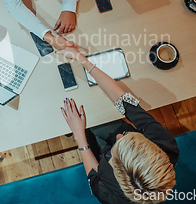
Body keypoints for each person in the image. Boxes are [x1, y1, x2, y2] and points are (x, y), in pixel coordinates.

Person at [58, 47, 178, 204]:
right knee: (94, 116)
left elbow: (94, 174)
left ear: (115, 171)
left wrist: (79, 135)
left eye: (115, 152)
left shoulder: (111, 196)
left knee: (80, 129)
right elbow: (125, 102)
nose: (119, 135)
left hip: (96, 157)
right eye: (127, 137)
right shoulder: (165, 146)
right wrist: (83, 60)